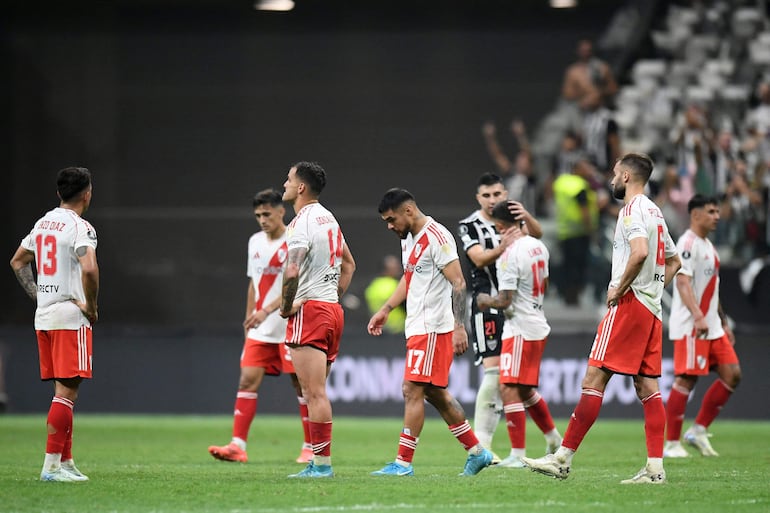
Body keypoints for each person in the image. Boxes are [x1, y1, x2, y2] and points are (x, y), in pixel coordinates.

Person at [522, 153, 681, 484]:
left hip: (629, 304)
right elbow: (674, 261)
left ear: (625, 176)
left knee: (594, 378)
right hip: (651, 309)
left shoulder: (632, 211)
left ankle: (563, 458)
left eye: (614, 173)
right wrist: (652, 289)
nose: (610, 179)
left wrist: (621, 288)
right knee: (647, 386)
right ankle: (655, 469)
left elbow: (638, 253)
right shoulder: (656, 212)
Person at [368, 188, 493, 477]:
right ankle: (477, 452)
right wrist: (387, 308)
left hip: (434, 327)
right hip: (417, 327)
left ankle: (402, 463)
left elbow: (459, 283)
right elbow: (409, 277)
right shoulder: (408, 238)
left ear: (408, 211)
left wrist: (459, 326)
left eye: (391, 219)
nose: (389, 226)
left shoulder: (438, 237)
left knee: (411, 389)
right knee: (435, 393)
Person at [208, 189, 312, 464]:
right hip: (260, 328)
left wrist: (266, 311)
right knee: (247, 380)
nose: (262, 220)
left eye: (267, 214)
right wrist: (249, 319)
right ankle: (237, 445)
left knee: (301, 385)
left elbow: (295, 283)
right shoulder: (254, 242)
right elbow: (254, 283)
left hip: (289, 325)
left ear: (281, 211)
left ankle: (310, 446)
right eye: (257, 215)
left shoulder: (295, 240)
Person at [9, 166, 99, 482]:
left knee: (64, 391)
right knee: (67, 391)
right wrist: (92, 307)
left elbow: (18, 261)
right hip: (69, 317)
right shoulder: (80, 227)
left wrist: (38, 295)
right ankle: (50, 467)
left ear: (59, 193)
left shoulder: (42, 223)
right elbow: (89, 269)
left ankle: (66, 462)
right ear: (87, 193)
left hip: (44, 316)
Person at [457, 173, 542, 462]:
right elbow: (478, 259)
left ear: (504, 193)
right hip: (487, 306)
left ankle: (550, 439)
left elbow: (537, 236)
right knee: (494, 375)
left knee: (518, 384)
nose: (493, 200)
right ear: (478, 198)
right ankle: (483, 444)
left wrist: (525, 218)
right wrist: (507, 243)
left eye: (497, 194)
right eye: (487, 196)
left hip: (515, 308)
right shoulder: (469, 225)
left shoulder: (514, 216)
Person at [280, 161, 356, 478]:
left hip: (310, 310)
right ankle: (318, 462)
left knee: (313, 393)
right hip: (331, 311)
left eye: (288, 179)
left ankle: (322, 465)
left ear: (301, 187)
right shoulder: (329, 219)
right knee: (317, 390)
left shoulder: (300, 223)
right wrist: (332, 294)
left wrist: (286, 306)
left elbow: (293, 269)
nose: (284, 184)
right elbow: (349, 264)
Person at [476, 201, 562, 468]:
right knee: (525, 388)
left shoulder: (509, 255)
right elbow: (545, 283)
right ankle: (553, 438)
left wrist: (483, 300)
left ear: (501, 226)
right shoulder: (538, 246)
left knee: (508, 387)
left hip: (520, 328)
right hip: (537, 321)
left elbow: (504, 300)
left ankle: (517, 453)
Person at [664, 194, 741, 458]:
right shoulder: (686, 244)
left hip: (713, 326)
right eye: (711, 211)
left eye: (718, 211)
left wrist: (722, 320)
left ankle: (697, 430)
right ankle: (671, 443)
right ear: (695, 214)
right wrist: (697, 316)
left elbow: (712, 289)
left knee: (732, 374)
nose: (717, 216)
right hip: (691, 326)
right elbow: (683, 283)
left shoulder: (708, 246)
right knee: (686, 378)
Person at [364, 255, 405, 334]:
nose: (399, 269)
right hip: (398, 329)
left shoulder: (373, 286)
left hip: (377, 327)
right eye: (395, 268)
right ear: (386, 270)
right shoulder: (396, 286)